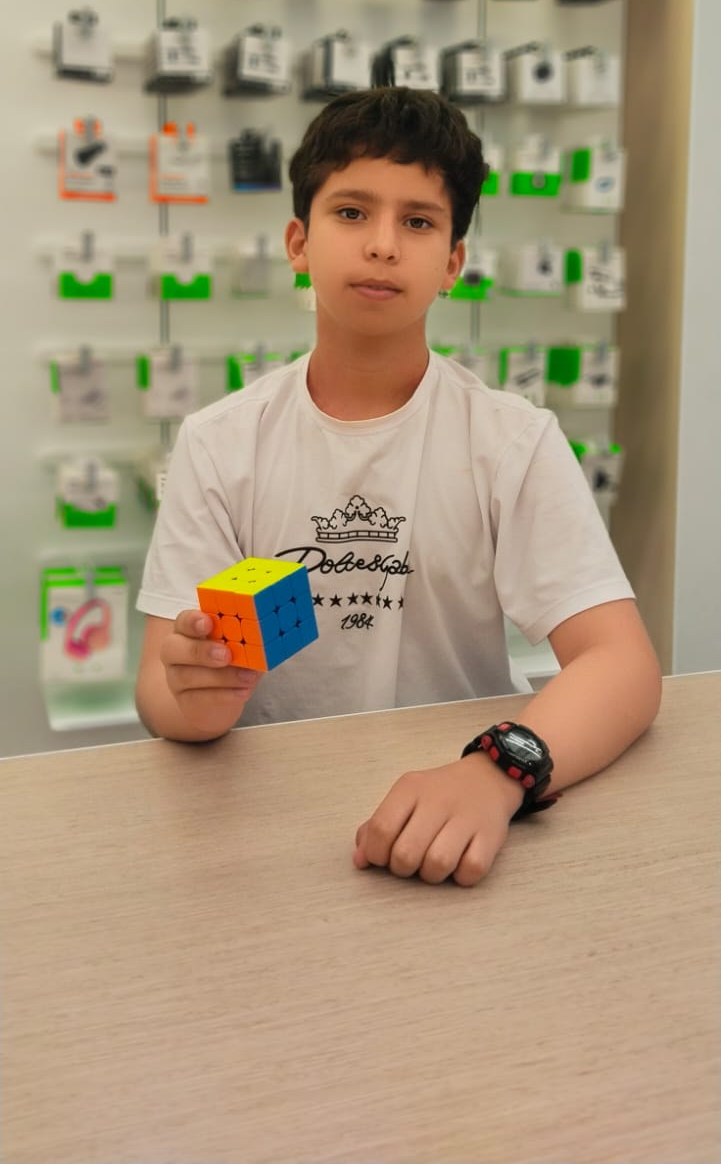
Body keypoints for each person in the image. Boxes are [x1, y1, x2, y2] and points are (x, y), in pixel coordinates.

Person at [135, 86, 662, 887]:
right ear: (298, 242)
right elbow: (160, 688)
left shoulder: (510, 440)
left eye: (417, 222)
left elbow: (620, 664)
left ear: (452, 263)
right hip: (265, 822)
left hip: (464, 805)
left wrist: (496, 772)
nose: (382, 245)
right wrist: (197, 700)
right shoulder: (219, 442)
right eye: (351, 212)